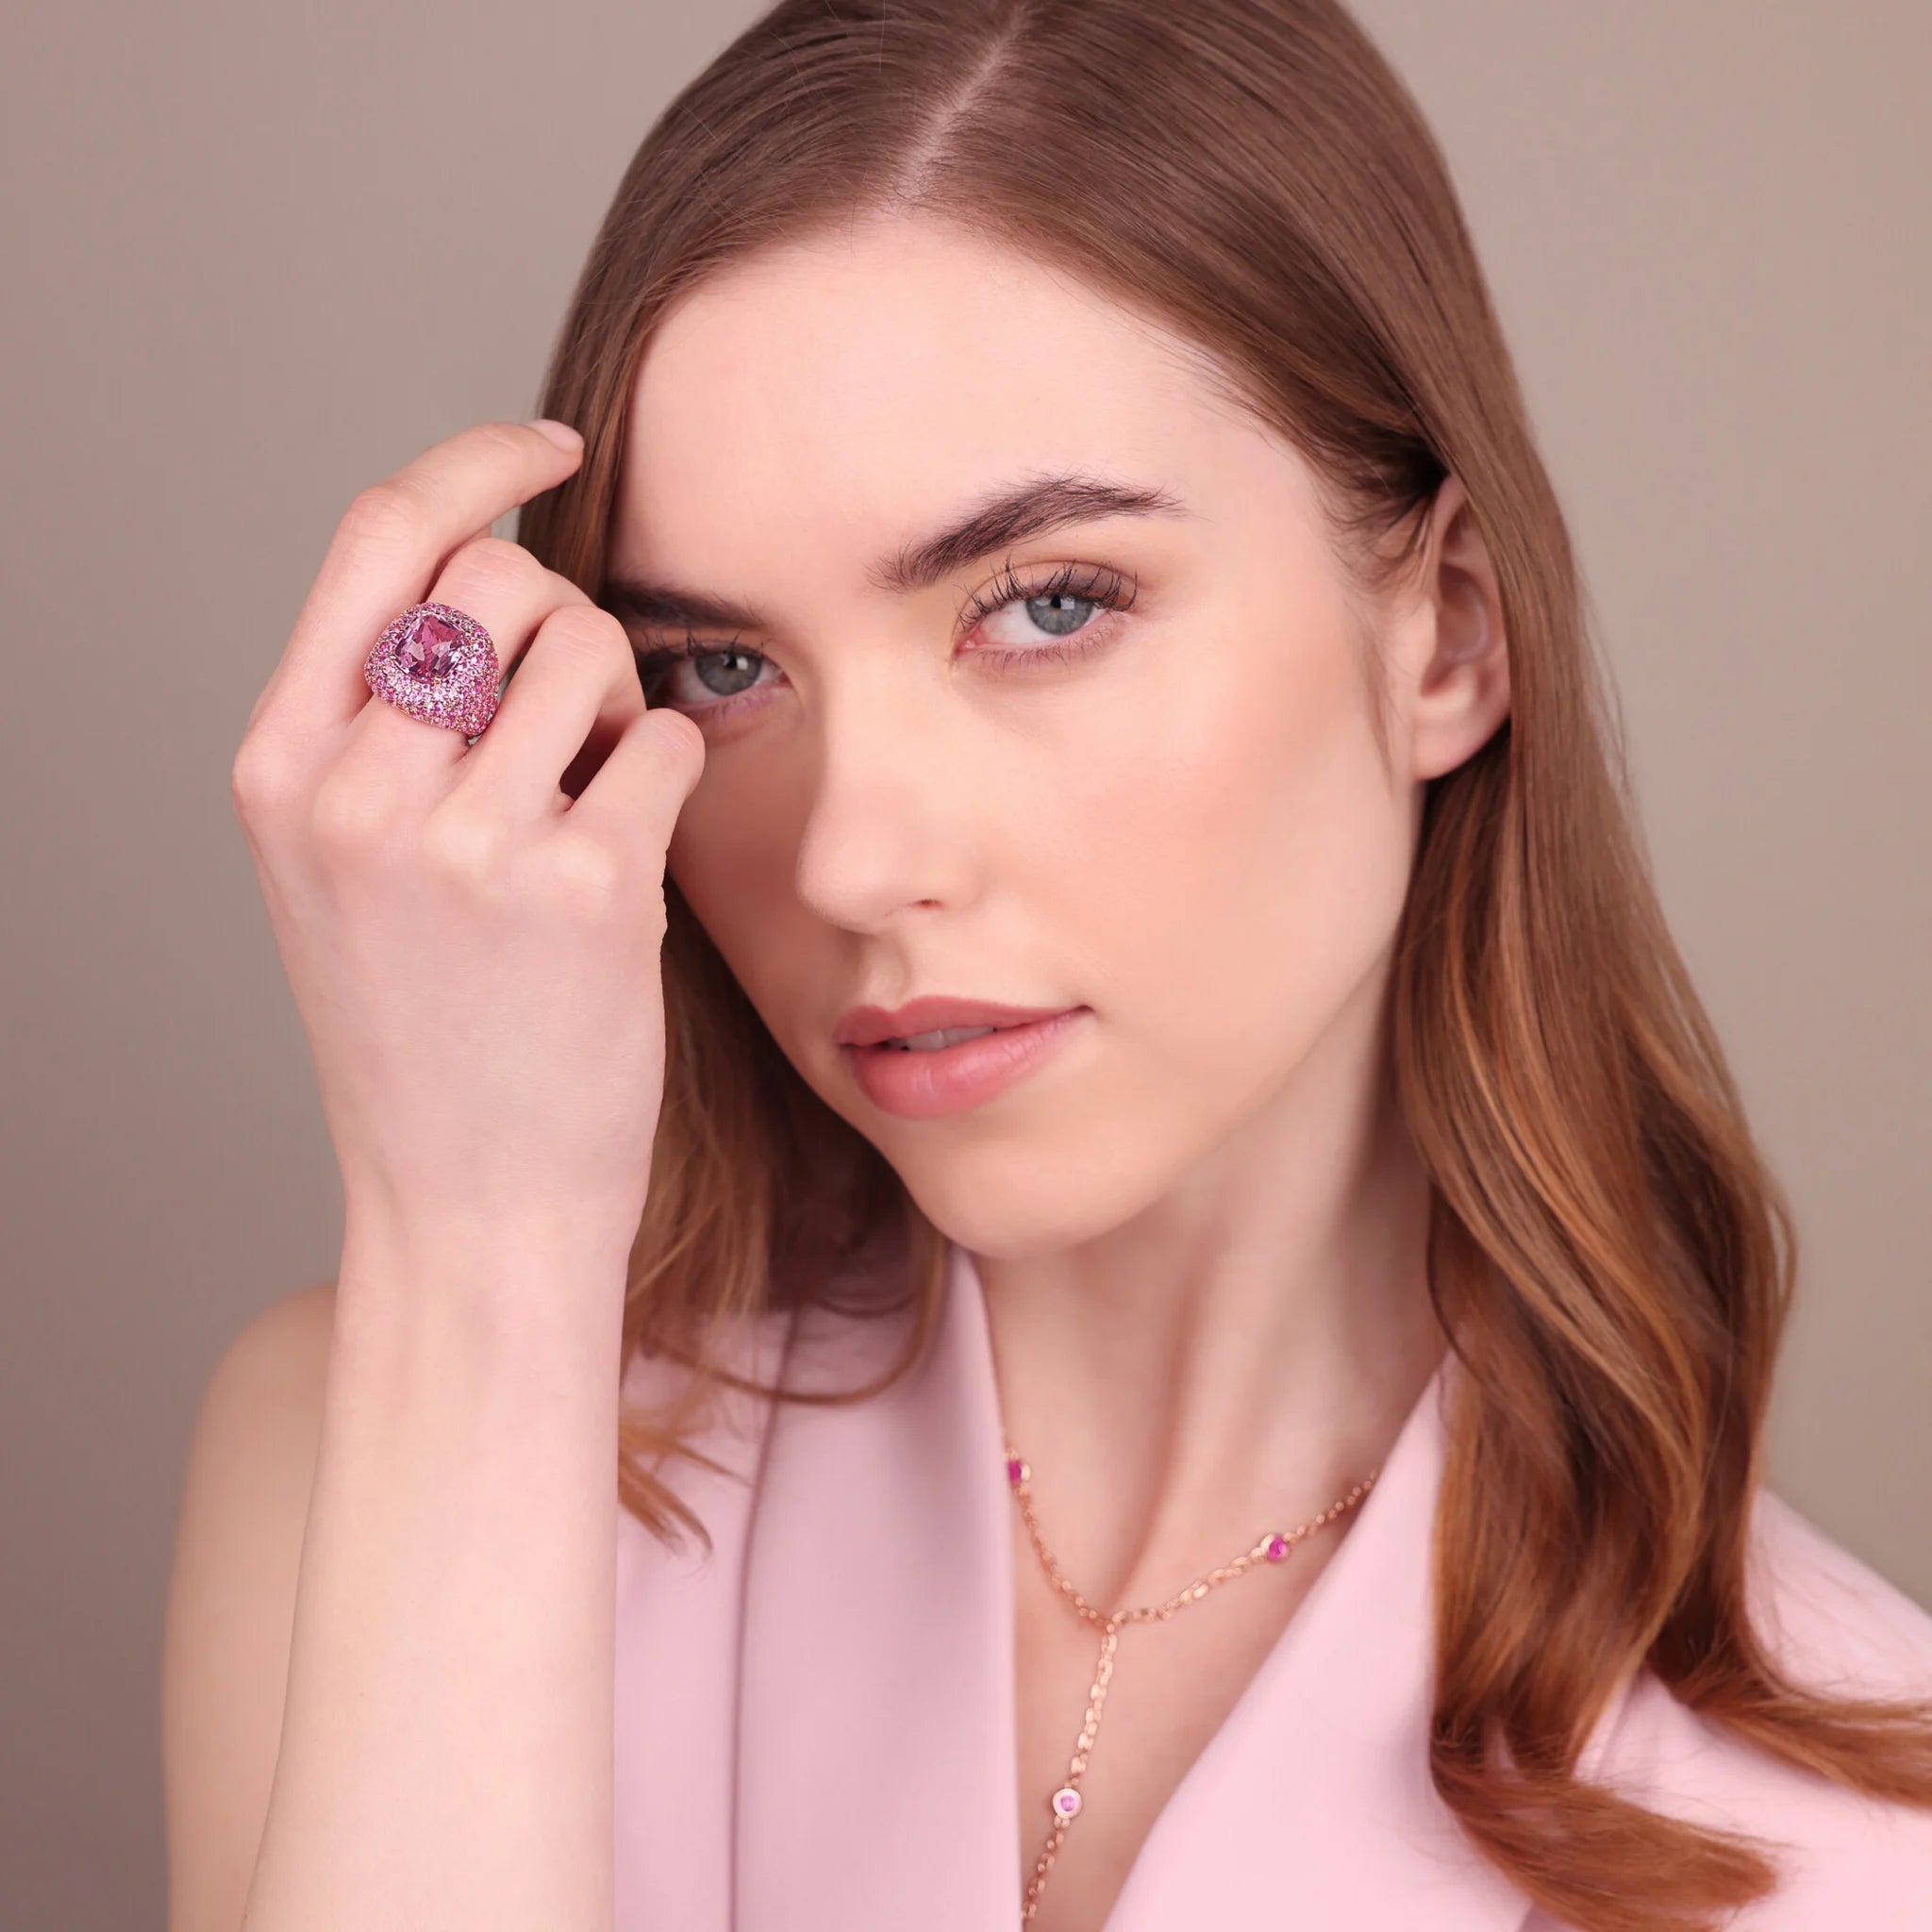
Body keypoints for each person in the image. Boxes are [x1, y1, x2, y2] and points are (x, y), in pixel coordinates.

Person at [162, 2, 1932, 1928]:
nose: (852, 856)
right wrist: (484, 1257)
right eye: (722, 668)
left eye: (1049, 605)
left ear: (1445, 632)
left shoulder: (1851, 1843)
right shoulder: (388, 1443)